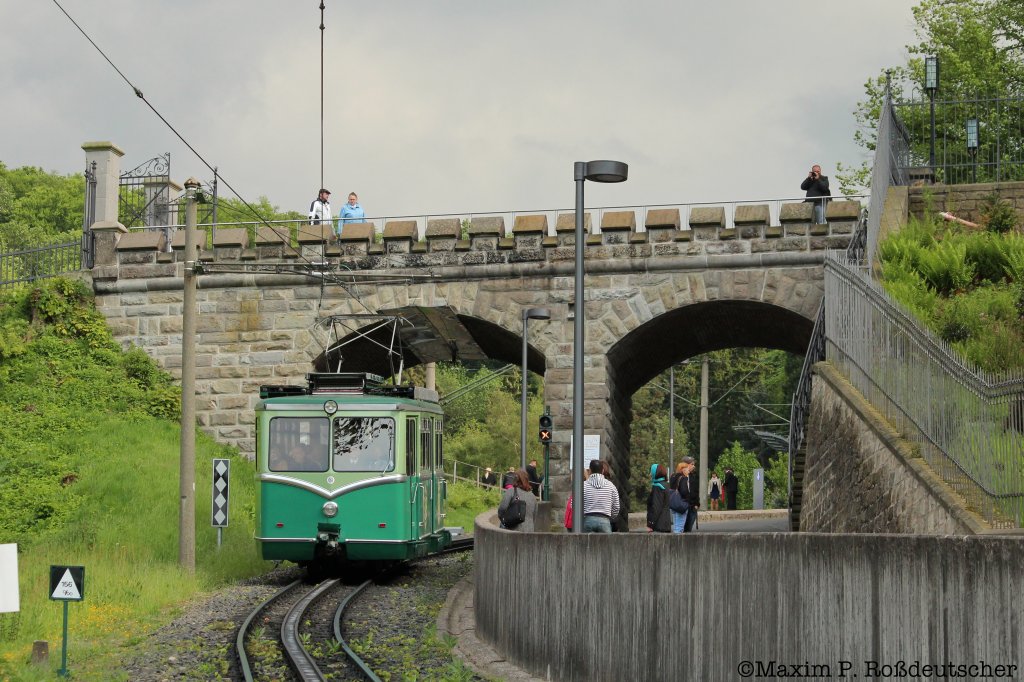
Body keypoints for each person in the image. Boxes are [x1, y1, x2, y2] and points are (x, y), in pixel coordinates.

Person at [581, 458, 620, 533]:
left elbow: (573, 505)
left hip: (588, 519)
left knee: (586, 544)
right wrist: (609, 516)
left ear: (590, 471)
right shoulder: (611, 486)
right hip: (604, 520)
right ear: (602, 471)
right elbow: (616, 507)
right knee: (606, 544)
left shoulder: (583, 485)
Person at [646, 464, 672, 533]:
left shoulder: (657, 487)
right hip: (666, 522)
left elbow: (656, 507)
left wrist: (651, 524)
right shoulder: (666, 485)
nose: (650, 474)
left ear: (655, 472)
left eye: (651, 472)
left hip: (658, 525)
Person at [678, 456, 701, 532]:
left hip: (693, 506)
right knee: (682, 529)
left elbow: (695, 491)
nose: (693, 466)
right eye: (692, 464)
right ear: (685, 465)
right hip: (684, 506)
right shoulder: (679, 477)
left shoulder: (693, 476)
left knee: (688, 529)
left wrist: (697, 504)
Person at [669, 461, 687, 533]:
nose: (688, 470)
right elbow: (684, 491)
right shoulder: (683, 478)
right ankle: (677, 542)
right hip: (681, 503)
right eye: (686, 468)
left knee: (676, 524)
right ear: (682, 469)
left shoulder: (672, 476)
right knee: (680, 526)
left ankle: (674, 540)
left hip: (674, 502)